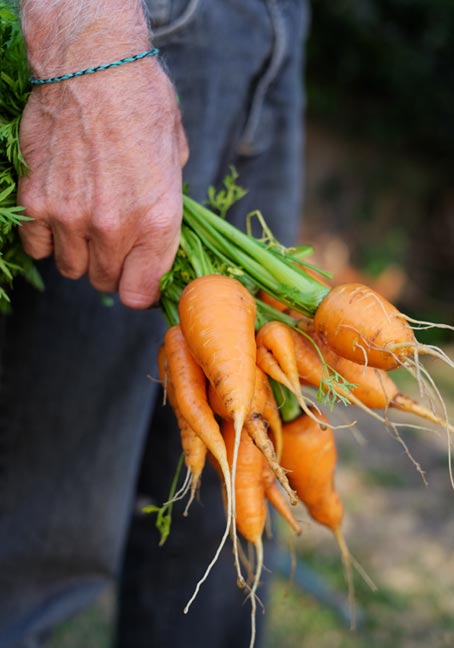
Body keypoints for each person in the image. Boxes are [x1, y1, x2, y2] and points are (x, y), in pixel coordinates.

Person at [0, 1, 309, 646]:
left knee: (224, 507)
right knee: (42, 524)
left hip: (272, 23)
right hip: (133, 27)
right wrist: (85, 40)